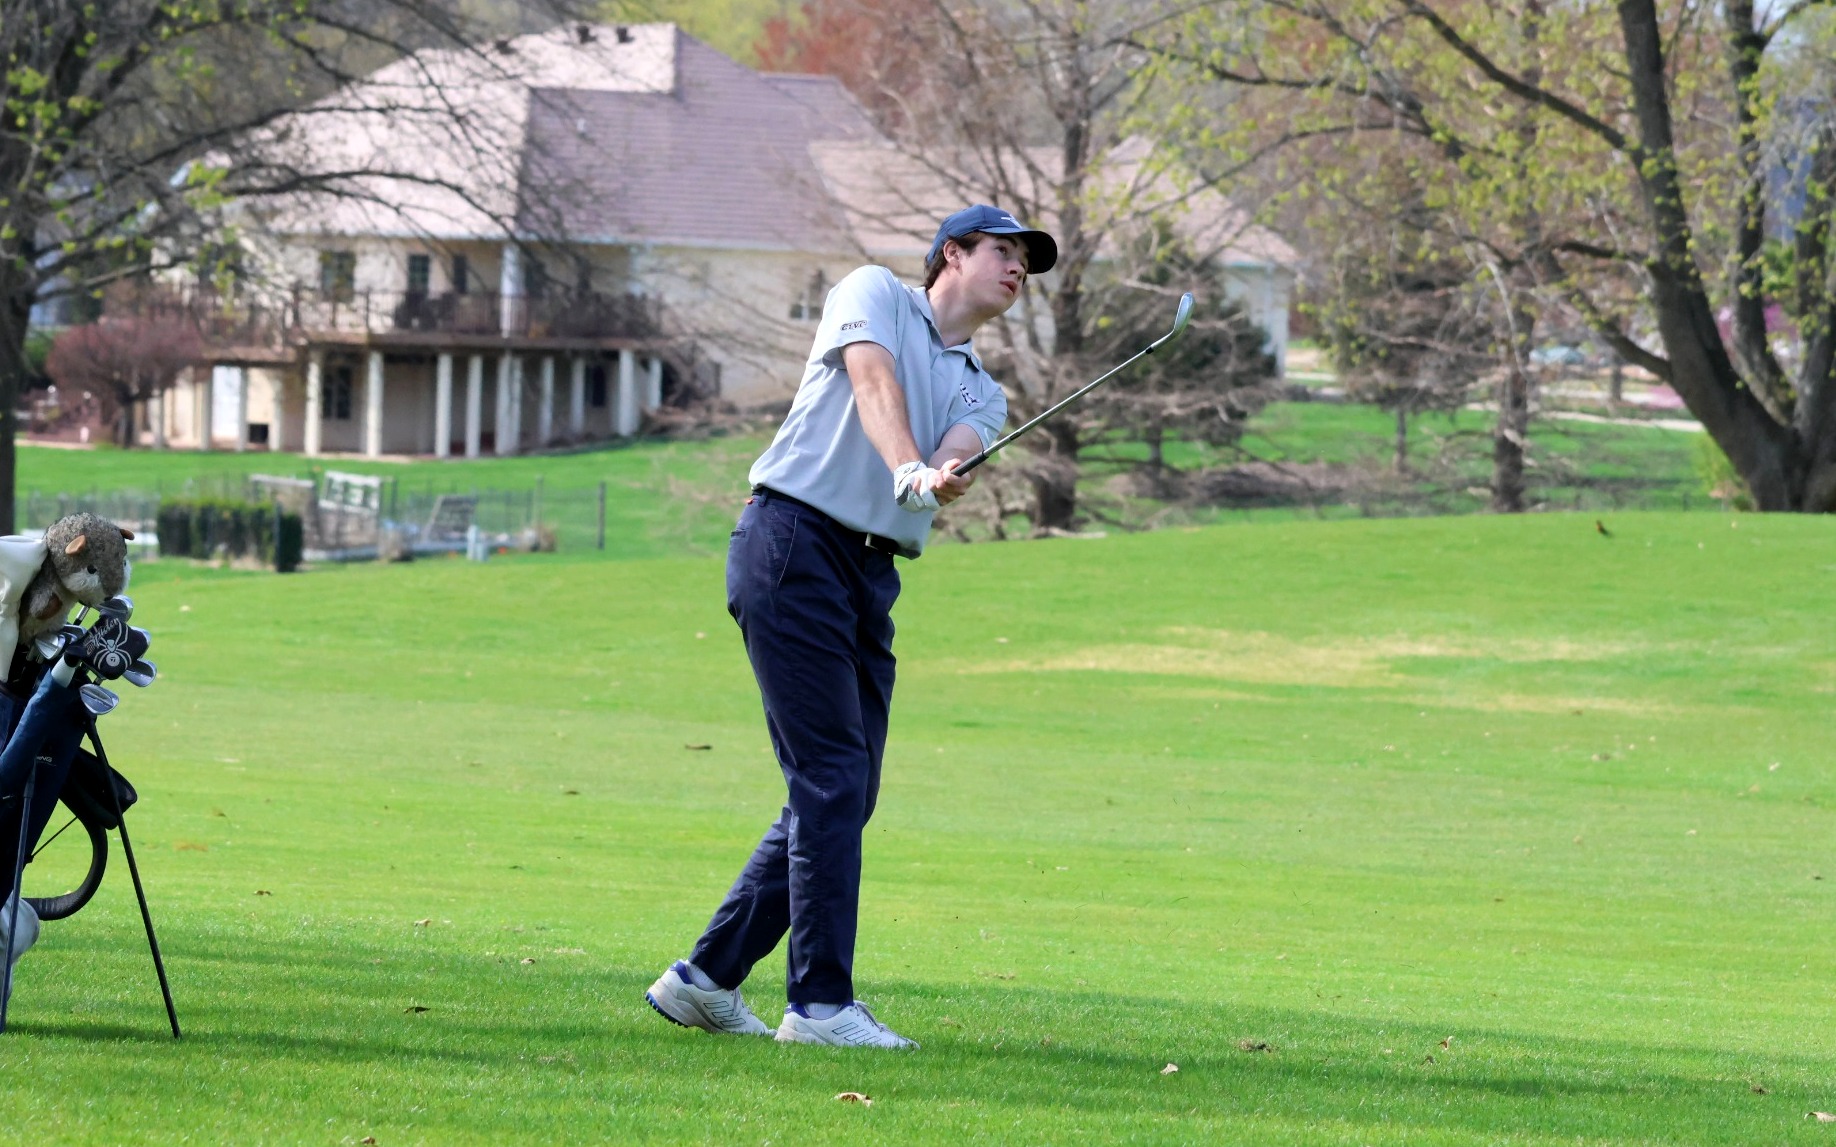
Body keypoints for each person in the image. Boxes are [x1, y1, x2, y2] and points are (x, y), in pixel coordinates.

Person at [646, 205, 1057, 1049]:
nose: (1020, 270)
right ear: (954, 253)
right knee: (832, 777)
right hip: (793, 539)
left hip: (871, 575)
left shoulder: (987, 386)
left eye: (1029, 262)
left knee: (845, 788)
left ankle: (706, 978)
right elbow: (874, 384)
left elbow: (959, 446)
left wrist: (939, 476)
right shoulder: (872, 293)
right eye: (1006, 252)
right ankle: (821, 1004)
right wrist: (906, 464)